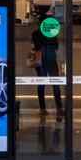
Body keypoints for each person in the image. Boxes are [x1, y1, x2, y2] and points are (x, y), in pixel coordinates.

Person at [30, 9, 66, 138]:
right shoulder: (52, 32)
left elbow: (35, 46)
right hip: (51, 56)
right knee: (55, 83)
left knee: (41, 83)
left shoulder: (35, 33)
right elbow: (56, 46)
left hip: (41, 57)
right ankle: (59, 107)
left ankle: (42, 108)